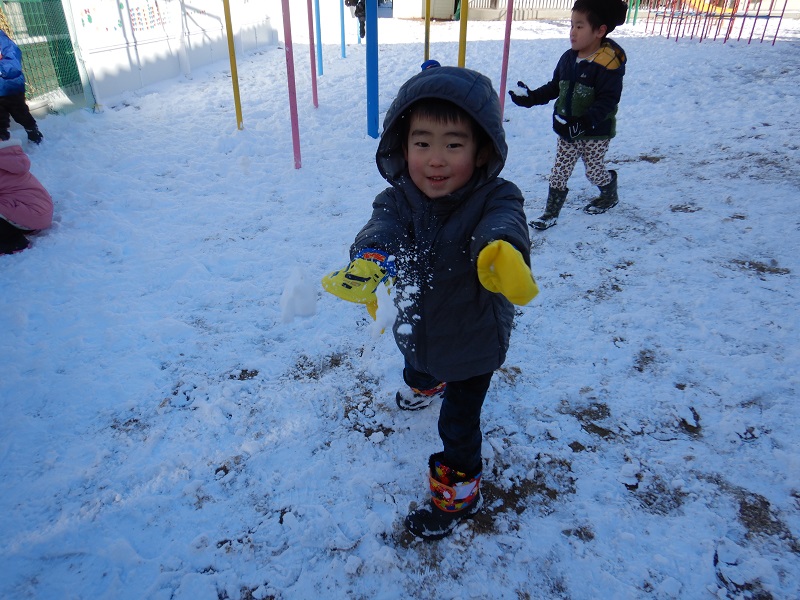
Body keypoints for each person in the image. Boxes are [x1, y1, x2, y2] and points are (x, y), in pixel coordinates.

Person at [322, 65, 539, 539]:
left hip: (473, 338)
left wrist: (501, 251)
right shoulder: (400, 198)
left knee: (458, 425)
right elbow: (382, 227)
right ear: (403, 147)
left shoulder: (495, 197)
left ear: (482, 149)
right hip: (420, 324)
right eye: (422, 143)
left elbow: (504, 222)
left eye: (453, 144)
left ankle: (458, 495)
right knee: (418, 362)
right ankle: (423, 384)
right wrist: (371, 257)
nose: (435, 160)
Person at [509, 0, 628, 230]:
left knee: (594, 171)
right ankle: (550, 213)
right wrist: (531, 97)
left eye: (580, 26)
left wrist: (584, 123)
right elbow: (556, 87)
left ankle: (609, 190)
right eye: (571, 25)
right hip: (566, 129)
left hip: (595, 133)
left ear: (600, 31)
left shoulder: (607, 64)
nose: (572, 32)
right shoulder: (568, 58)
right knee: (559, 171)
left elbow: (608, 101)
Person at [0, 137, 52, 254]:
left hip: (30, 213)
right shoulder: (7, 156)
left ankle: (12, 241)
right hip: (38, 211)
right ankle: (14, 228)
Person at [0, 29, 43, 144]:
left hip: (10, 88)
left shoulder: (2, 39)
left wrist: (1, 69)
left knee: (20, 114)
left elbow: (14, 60)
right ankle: (5, 148)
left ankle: (33, 132)